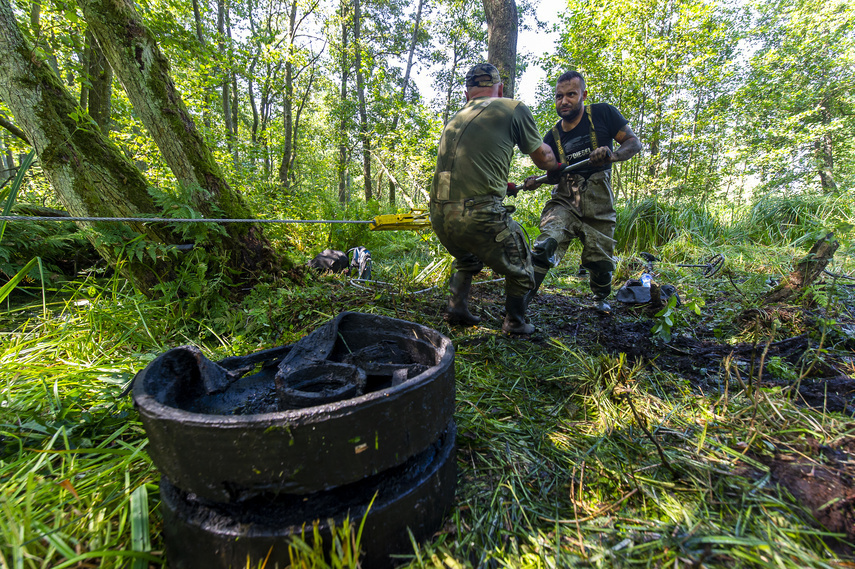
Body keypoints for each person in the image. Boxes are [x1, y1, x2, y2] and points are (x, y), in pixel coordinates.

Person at [430, 63, 559, 334]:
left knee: (466, 258)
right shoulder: (512, 108)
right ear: (500, 89)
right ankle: (515, 322)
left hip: (440, 217)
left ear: (467, 94)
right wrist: (557, 161)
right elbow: (544, 160)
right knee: (522, 264)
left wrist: (501, 186)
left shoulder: (455, 118)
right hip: (477, 215)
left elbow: (467, 170)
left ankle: (456, 308)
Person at [524, 70, 641, 313]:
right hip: (565, 200)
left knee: (601, 262)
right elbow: (553, 173)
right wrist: (537, 181)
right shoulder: (553, 136)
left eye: (571, 94)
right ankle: (519, 304)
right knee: (545, 246)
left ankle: (600, 297)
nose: (564, 101)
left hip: (599, 201)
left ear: (583, 95)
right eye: (559, 96)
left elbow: (634, 143)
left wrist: (612, 155)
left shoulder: (603, 114)